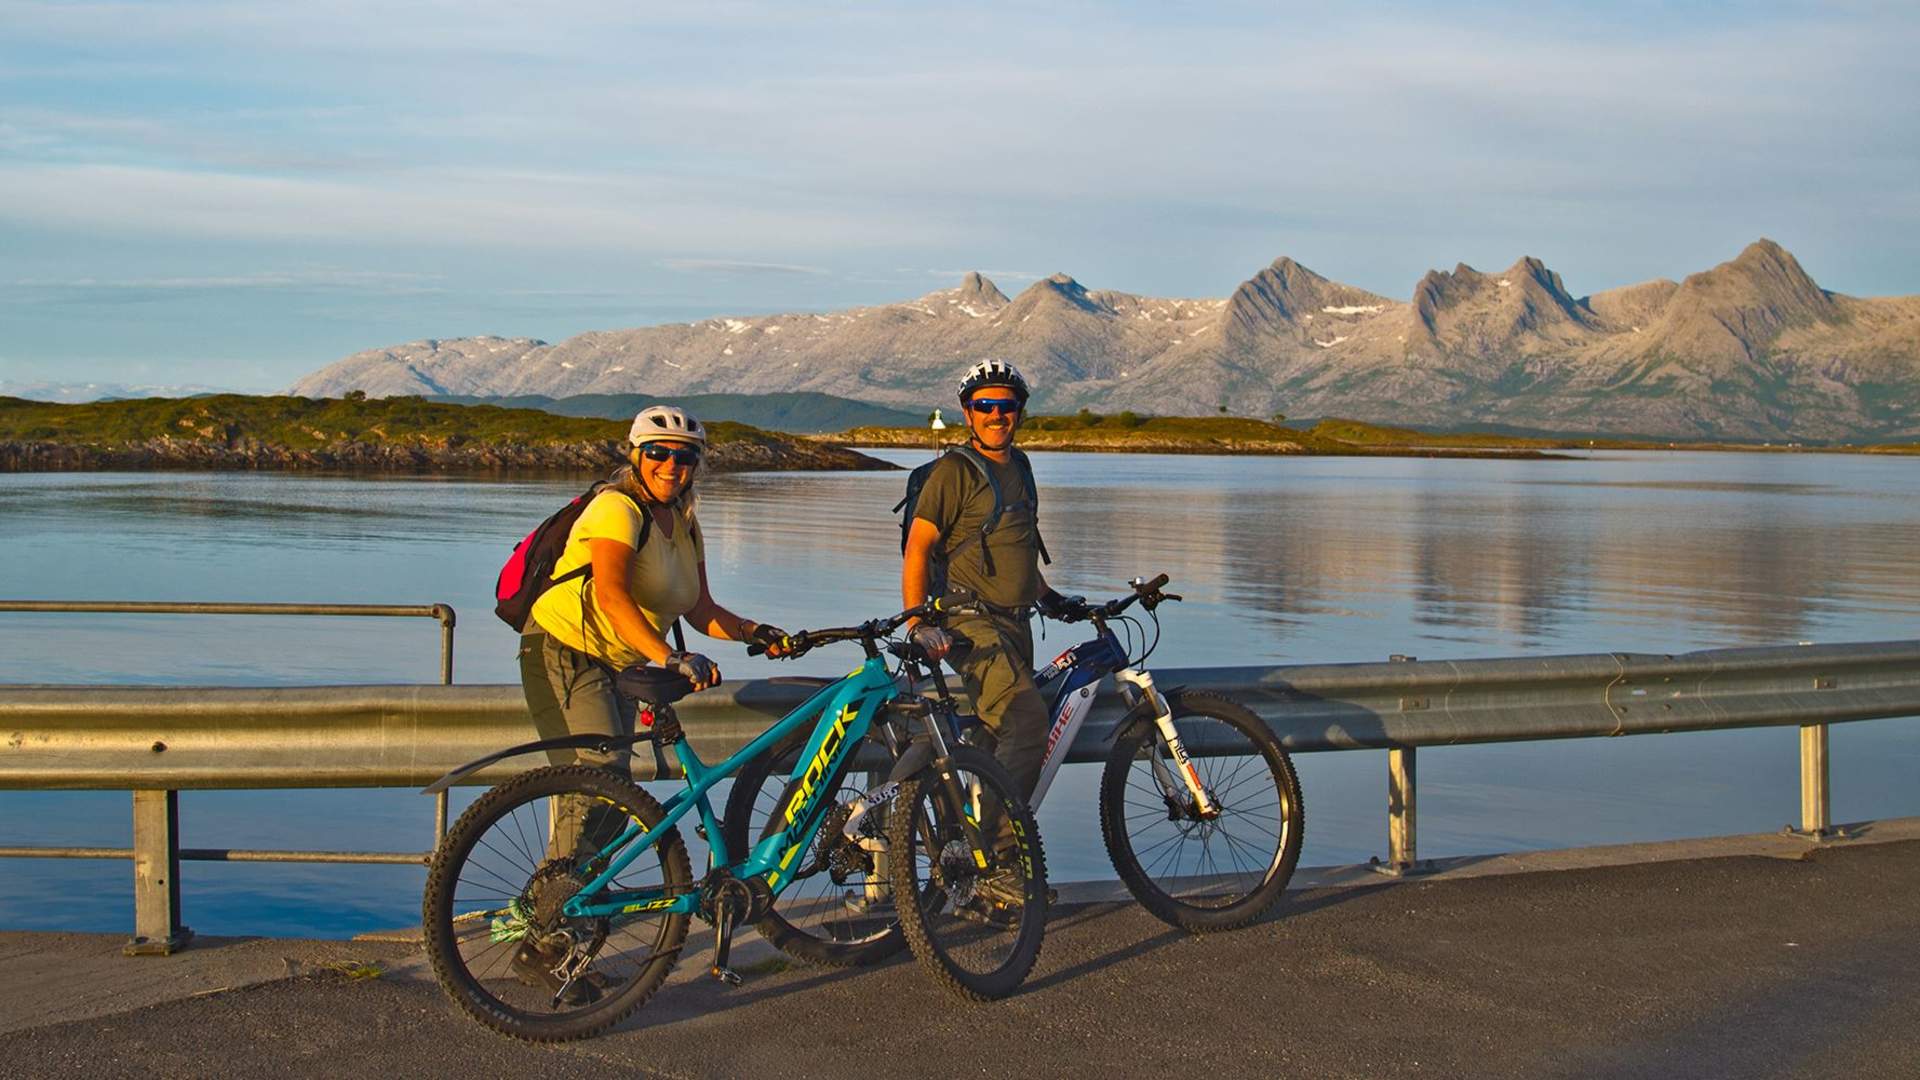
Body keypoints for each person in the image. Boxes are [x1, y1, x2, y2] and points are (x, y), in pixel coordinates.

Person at [520, 404, 788, 864]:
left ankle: (575, 895)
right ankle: (544, 907)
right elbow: (612, 597)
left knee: (617, 791)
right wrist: (669, 656)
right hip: (563, 650)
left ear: (696, 465)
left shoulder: (686, 524)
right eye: (658, 453)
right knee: (601, 776)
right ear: (635, 455)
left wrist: (755, 633)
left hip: (620, 661)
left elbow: (701, 609)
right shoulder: (616, 509)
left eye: (684, 457)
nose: (671, 466)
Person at [901, 359, 1082, 807]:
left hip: (1017, 622)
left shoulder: (1020, 466)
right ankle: (1002, 861)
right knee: (1025, 724)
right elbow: (918, 550)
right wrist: (916, 623)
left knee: (990, 736)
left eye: (1007, 405)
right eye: (985, 405)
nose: (996, 414)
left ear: (1019, 411)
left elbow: (1014, 546)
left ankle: (968, 846)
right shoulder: (954, 473)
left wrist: (1051, 598)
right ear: (968, 414)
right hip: (971, 623)